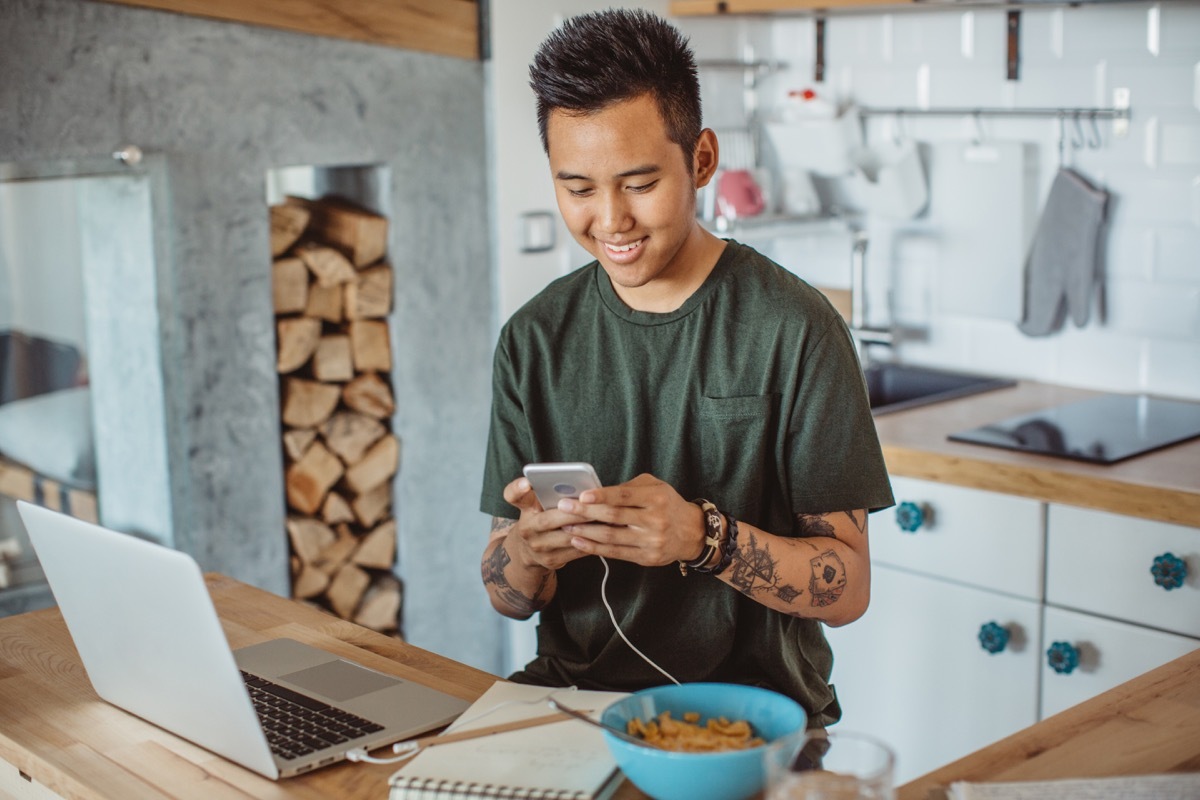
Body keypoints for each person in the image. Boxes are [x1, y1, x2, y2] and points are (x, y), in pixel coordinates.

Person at [478, 8, 893, 728]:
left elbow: (848, 587)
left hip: (754, 720)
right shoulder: (532, 339)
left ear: (701, 159)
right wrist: (526, 550)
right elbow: (506, 595)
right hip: (573, 707)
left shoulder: (797, 329)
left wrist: (704, 538)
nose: (610, 220)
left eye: (639, 183)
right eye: (578, 189)